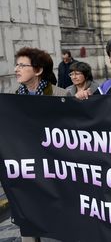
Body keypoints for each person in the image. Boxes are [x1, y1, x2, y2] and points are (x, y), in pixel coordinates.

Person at [12, 47, 68, 242]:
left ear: (38, 70)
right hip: (26, 172)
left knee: (56, 227)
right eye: (16, 64)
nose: (16, 69)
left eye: (22, 65)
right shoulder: (13, 98)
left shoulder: (60, 96)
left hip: (55, 174)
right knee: (28, 226)